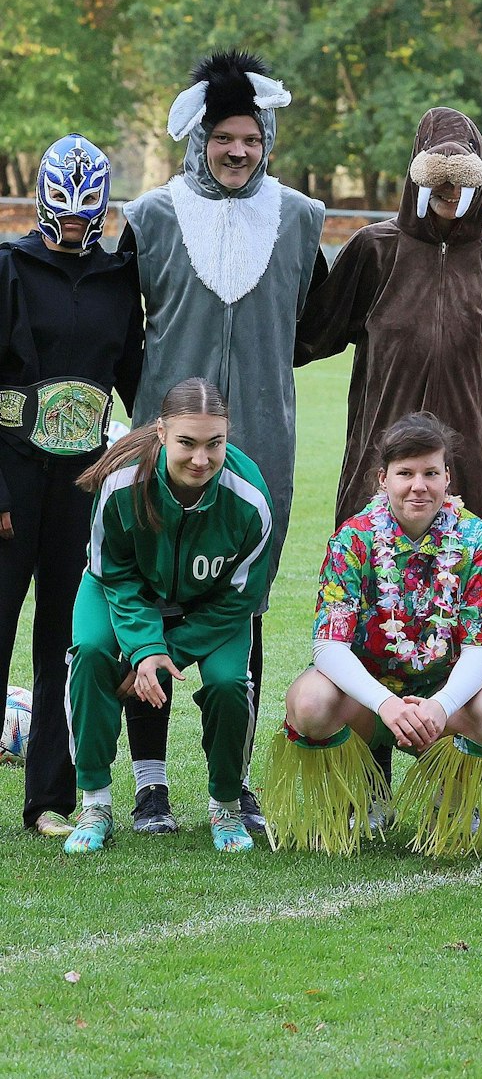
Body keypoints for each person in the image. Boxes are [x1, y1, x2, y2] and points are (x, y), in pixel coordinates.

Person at [120, 49, 328, 835]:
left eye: (249, 138)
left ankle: (231, 781)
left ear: (267, 138)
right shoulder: (153, 217)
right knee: (147, 609)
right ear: (197, 140)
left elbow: (314, 325)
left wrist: (264, 380)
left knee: (241, 612)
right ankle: (146, 785)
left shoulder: (303, 219)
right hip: (161, 452)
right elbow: (117, 331)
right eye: (221, 138)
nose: (237, 151)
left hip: (262, 456)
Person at [298, 106, 482, 600]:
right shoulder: (373, 250)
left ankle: (475, 670)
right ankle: (362, 668)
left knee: (476, 565)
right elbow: (311, 334)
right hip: (382, 448)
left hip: (473, 457)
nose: (449, 192)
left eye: (461, 181)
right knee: (366, 569)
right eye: (438, 178)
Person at [261, 413, 482, 857]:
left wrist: (440, 706)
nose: (418, 486)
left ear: (448, 478)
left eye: (430, 473)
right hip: (365, 693)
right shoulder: (354, 538)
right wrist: (384, 703)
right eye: (405, 473)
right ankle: (360, 793)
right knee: (308, 704)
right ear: (383, 479)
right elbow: (328, 643)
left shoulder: (478, 539)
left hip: (441, 694)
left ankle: (451, 794)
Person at [0, 136, 144, 837]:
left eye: (90, 216)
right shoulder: (8, 268)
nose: (78, 227)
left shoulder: (120, 279)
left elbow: (137, 377)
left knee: (65, 636)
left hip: (82, 481)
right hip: (10, 473)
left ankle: (48, 799)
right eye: (68, 213)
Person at [63, 378, 275, 854]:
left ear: (227, 438)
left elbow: (241, 599)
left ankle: (226, 806)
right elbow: (114, 575)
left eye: (214, 444)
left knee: (227, 683)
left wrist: (166, 653)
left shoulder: (251, 499)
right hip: (123, 589)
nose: (201, 459)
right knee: (92, 653)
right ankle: (95, 803)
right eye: (186, 443)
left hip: (214, 605)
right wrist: (145, 648)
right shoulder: (120, 482)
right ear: (161, 433)